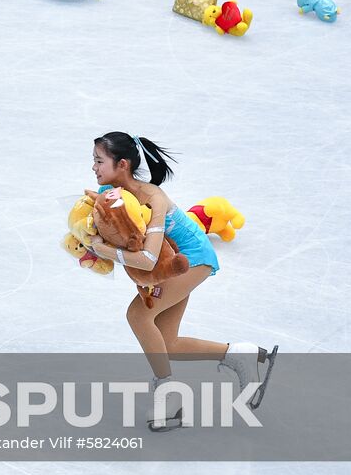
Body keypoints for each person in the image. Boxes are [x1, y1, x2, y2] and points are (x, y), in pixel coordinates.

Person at [85, 132, 273, 428]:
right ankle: (240, 355)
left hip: (191, 259)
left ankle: (169, 395)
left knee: (138, 316)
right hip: (170, 262)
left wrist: (102, 249)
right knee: (166, 342)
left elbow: (147, 258)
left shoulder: (153, 199)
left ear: (122, 164)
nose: (94, 168)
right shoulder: (111, 193)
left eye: (99, 161)